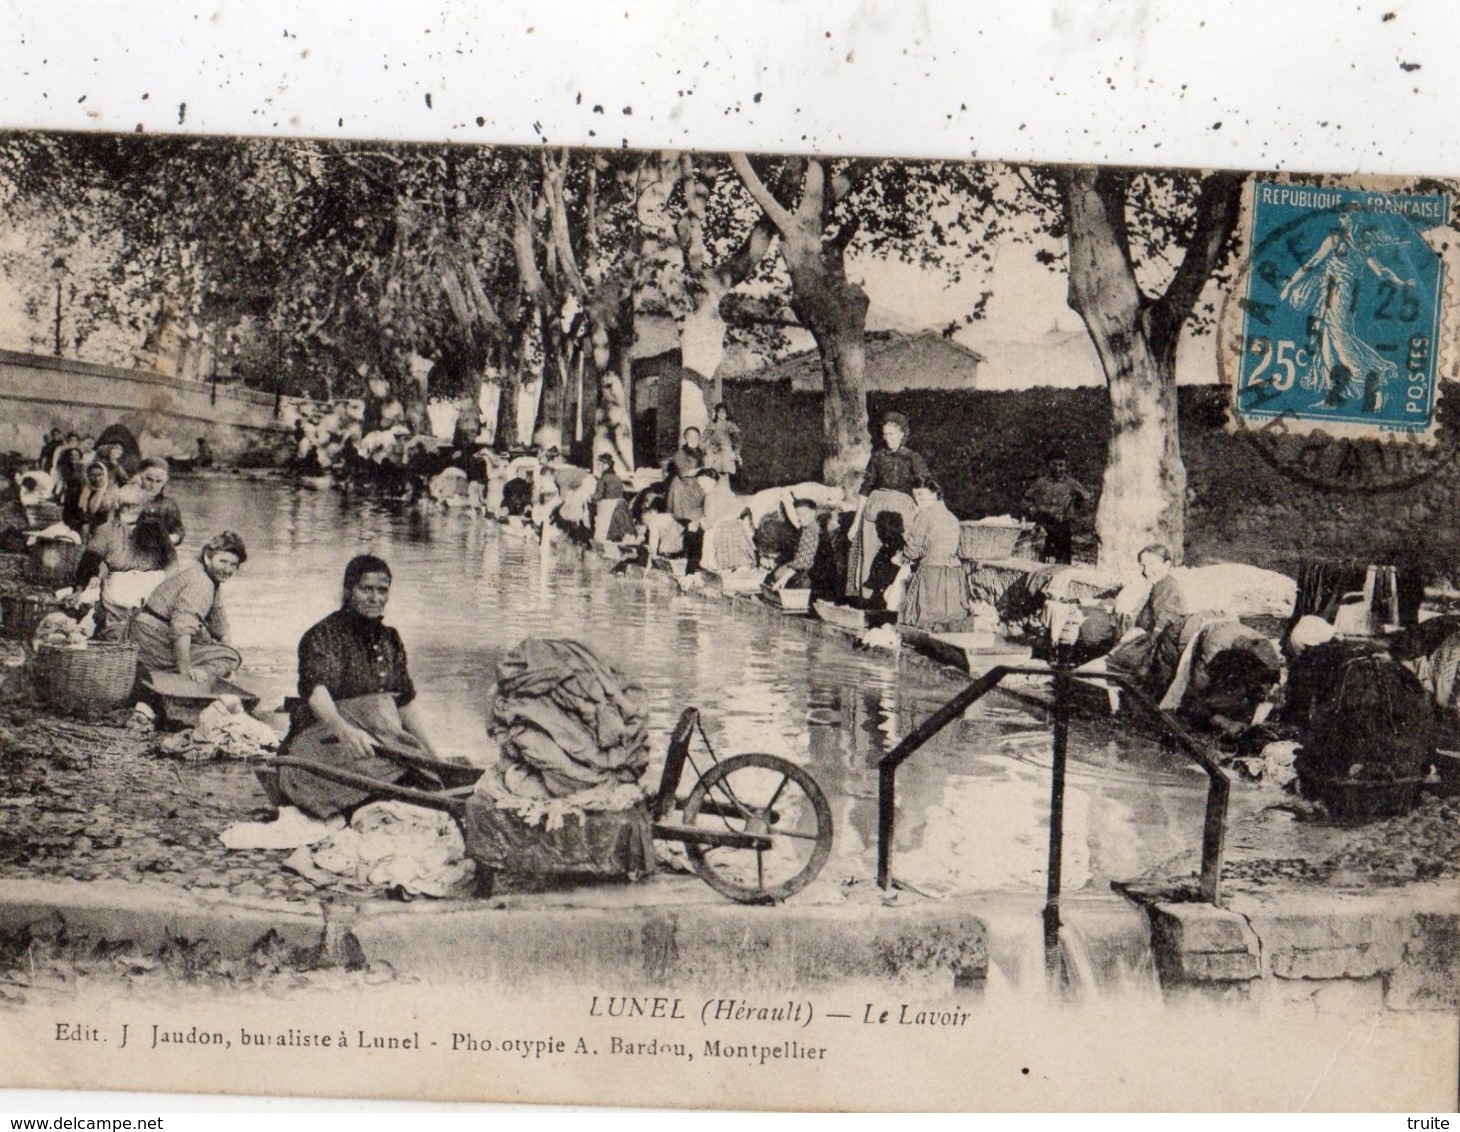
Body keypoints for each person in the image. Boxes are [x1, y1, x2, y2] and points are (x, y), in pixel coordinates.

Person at [132, 531, 246, 683]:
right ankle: (193, 674)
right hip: (152, 640)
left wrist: (229, 669)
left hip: (147, 635)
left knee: (223, 650)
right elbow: (181, 628)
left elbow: (220, 627)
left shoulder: (208, 578)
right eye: (223, 561)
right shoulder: (201, 583)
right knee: (231, 657)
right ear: (207, 558)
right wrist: (186, 670)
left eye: (233, 564)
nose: (227, 570)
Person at [72, 499, 185, 640]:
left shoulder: (156, 528)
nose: (130, 509)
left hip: (150, 589)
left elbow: (172, 561)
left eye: (134, 506)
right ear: (119, 507)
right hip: (116, 592)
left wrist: (164, 584)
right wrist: (78, 589)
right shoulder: (105, 531)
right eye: (126, 506)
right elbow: (88, 563)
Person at [847, 413, 927, 598]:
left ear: (902, 434)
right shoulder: (877, 458)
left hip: (902, 514)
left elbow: (925, 487)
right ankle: (869, 598)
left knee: (900, 554)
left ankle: (895, 599)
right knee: (870, 554)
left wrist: (922, 515)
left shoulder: (912, 458)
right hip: (874, 512)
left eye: (892, 434)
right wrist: (855, 523)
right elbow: (865, 489)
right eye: (885, 434)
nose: (888, 438)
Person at [898, 478, 972, 632]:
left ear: (934, 494)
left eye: (921, 495)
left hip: (931, 572)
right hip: (953, 573)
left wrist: (900, 557)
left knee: (925, 616)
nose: (917, 499)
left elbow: (912, 550)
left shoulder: (925, 516)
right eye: (915, 496)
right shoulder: (952, 517)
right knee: (948, 617)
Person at [1022, 453, 1091, 564]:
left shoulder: (1071, 483)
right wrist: (1033, 510)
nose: (1058, 469)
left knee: (1062, 560)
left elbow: (1087, 498)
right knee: (1041, 558)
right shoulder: (1041, 482)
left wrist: (1074, 511)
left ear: (1065, 466)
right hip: (1044, 524)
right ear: (1049, 465)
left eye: (1061, 465)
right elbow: (1026, 499)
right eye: (1054, 464)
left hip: (1062, 525)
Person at [590, 452, 635, 543]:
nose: (598, 467)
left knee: (601, 535)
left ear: (605, 465)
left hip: (608, 507)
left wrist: (589, 498)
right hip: (621, 506)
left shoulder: (603, 478)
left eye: (599, 465)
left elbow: (598, 495)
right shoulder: (617, 478)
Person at [111, 457, 170, 526]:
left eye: (159, 481)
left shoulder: (164, 501)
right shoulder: (128, 494)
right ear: (140, 476)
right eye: (149, 479)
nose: (153, 485)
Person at [664, 427, 705, 523]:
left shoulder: (701, 453)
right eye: (690, 437)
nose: (693, 440)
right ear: (685, 438)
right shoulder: (680, 454)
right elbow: (687, 473)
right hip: (683, 486)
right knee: (683, 517)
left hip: (697, 486)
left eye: (696, 437)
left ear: (699, 439)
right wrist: (704, 469)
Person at [66, 459, 116, 536]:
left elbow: (112, 514)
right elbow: (78, 512)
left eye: (100, 475)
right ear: (87, 476)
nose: (97, 479)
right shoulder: (85, 490)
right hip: (86, 525)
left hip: (106, 526)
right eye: (93, 476)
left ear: (105, 474)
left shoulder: (111, 490)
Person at [702, 403, 742, 480]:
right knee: (711, 467)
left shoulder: (730, 425)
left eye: (724, 412)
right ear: (717, 413)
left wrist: (736, 452)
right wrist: (704, 447)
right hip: (713, 449)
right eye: (719, 412)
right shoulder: (712, 424)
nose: (721, 414)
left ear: (727, 414)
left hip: (725, 449)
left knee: (725, 467)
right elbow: (704, 437)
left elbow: (738, 440)